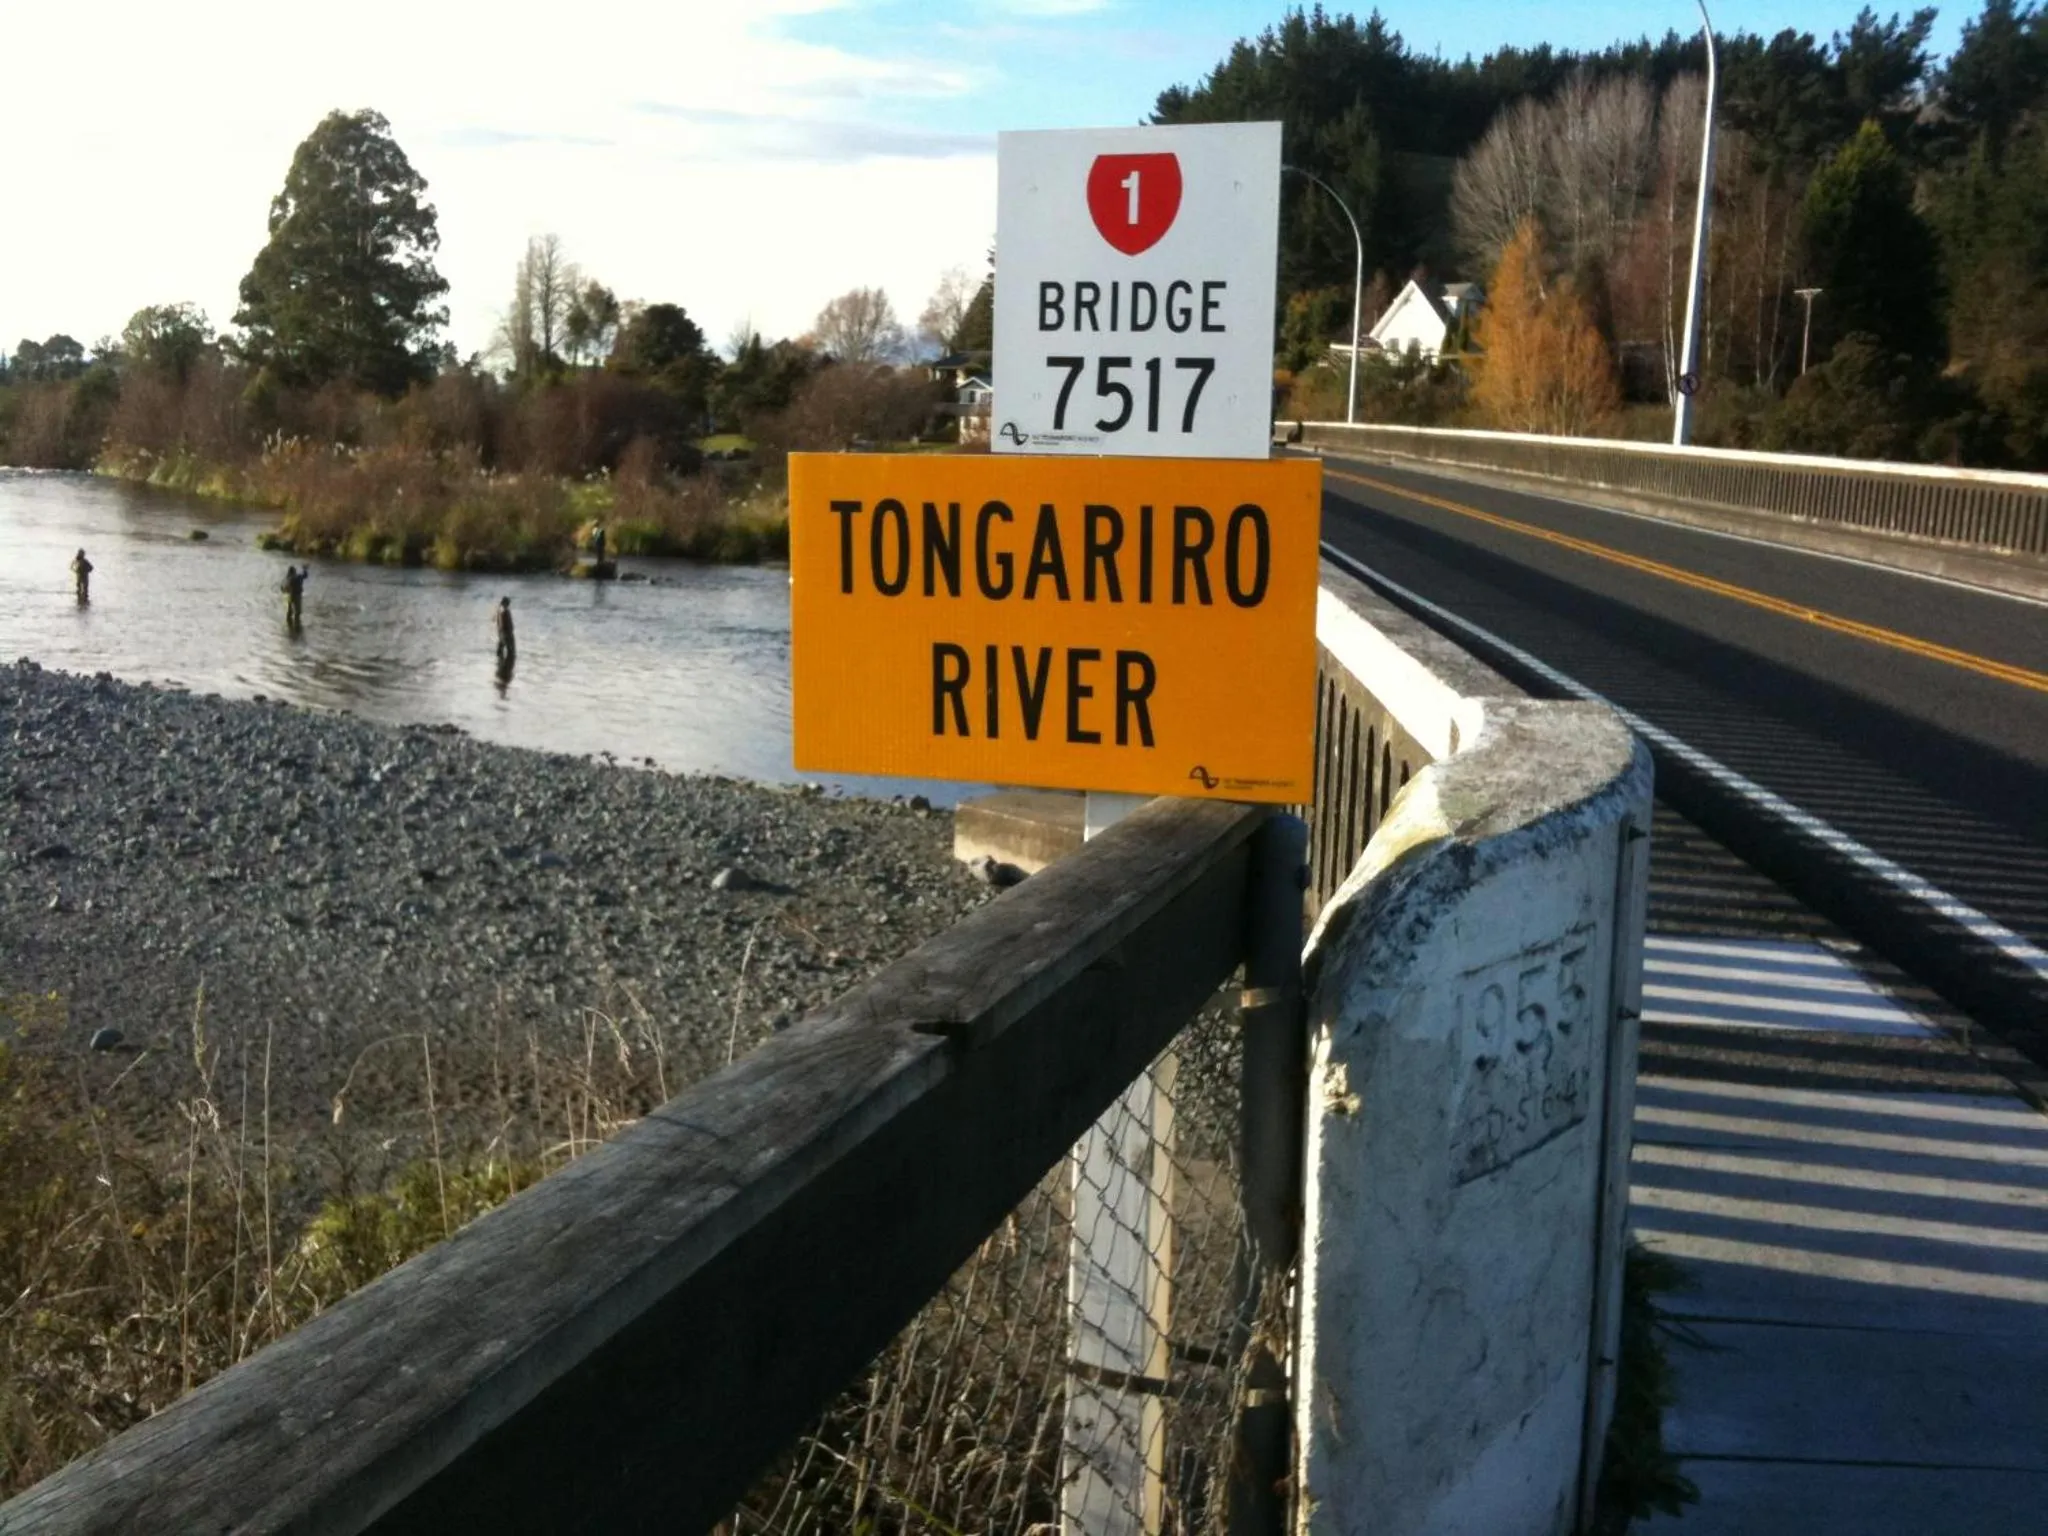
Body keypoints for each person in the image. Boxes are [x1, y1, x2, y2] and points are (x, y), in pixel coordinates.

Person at [494, 596, 516, 664]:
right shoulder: (503, 612)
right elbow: (501, 624)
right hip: (506, 633)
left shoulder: (505, 611)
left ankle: (501, 663)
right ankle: (503, 665)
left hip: (506, 632)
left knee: (502, 648)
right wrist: (503, 633)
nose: (508, 604)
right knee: (510, 650)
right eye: (507, 603)